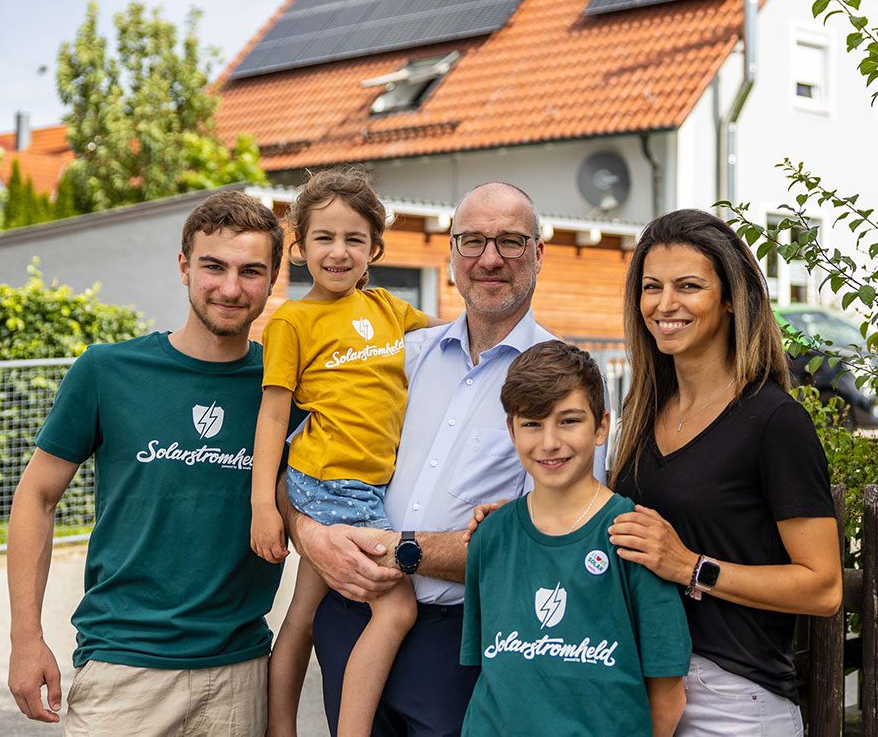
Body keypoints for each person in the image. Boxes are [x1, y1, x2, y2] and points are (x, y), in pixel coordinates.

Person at [284, 182, 605, 736]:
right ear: (451, 254)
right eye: (473, 240)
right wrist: (309, 535)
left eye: (510, 241)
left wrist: (402, 552)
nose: (490, 259)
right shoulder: (399, 355)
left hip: (463, 645)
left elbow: (556, 545)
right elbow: (297, 463)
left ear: (539, 253)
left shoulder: (562, 382)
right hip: (349, 617)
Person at [6, 190, 288, 737]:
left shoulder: (284, 386)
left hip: (240, 672)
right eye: (214, 267)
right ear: (184, 267)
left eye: (251, 271)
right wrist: (25, 637)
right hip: (123, 668)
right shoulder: (108, 371)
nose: (231, 288)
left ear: (272, 279)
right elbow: (36, 497)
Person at [606, 208, 842, 735]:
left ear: (732, 299)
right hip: (642, 685)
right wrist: (522, 520)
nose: (665, 305)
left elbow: (823, 587)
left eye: (688, 286)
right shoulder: (644, 414)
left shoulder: (774, 421)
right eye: (652, 287)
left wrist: (691, 566)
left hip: (734, 701)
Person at [251, 169, 432, 737]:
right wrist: (264, 506)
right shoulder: (293, 322)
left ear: (374, 248)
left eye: (354, 239)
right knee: (397, 608)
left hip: (368, 483)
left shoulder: (390, 310)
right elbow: (274, 416)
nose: (339, 251)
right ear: (299, 248)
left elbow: (458, 344)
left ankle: (281, 730)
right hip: (332, 481)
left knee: (302, 614)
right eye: (324, 238)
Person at [460, 340, 689, 736]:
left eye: (568, 421)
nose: (549, 442)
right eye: (532, 423)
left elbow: (668, 696)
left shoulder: (633, 536)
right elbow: (492, 671)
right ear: (511, 431)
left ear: (601, 426)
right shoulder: (491, 536)